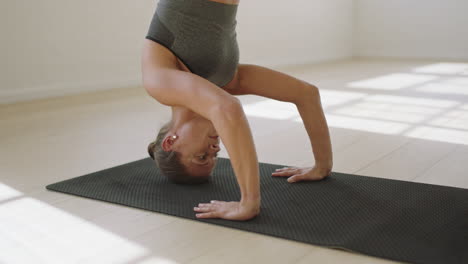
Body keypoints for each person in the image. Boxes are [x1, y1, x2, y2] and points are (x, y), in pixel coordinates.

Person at [141, 0, 333, 221]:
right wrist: (322, 166)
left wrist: (248, 202)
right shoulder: (223, 81)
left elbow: (228, 108)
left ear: (170, 141)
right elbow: (307, 95)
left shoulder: (159, 83)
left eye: (202, 156)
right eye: (215, 154)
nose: (215, 147)